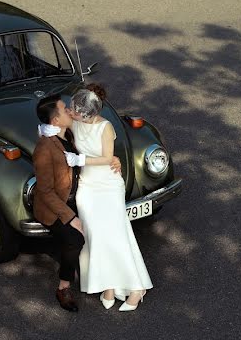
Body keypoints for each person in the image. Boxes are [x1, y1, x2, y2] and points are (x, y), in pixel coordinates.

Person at [63, 84, 153, 311]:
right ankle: (108, 285)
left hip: (108, 185)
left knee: (115, 234)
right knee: (94, 234)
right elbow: (49, 127)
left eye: (75, 111)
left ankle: (136, 288)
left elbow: (106, 158)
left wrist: (79, 160)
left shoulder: (105, 127)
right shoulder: (75, 121)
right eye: (72, 109)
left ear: (88, 114)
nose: (71, 112)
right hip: (87, 186)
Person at [33, 94, 120, 312]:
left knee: (101, 227)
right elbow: (44, 191)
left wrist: (113, 158)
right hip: (55, 207)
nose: (70, 111)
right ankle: (63, 287)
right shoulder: (45, 148)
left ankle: (104, 275)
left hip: (80, 194)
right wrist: (70, 217)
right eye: (65, 110)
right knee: (75, 238)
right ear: (55, 121)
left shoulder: (69, 133)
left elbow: (93, 146)